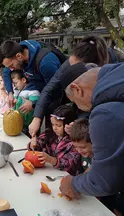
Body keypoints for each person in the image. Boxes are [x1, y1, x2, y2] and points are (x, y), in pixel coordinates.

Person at [60, 65, 124, 214]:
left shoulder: (105, 112)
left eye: (76, 103)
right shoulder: (117, 72)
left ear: (77, 89)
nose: (82, 109)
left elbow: (104, 181)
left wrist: (73, 183)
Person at [29, 36, 109, 137]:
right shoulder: (71, 62)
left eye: (74, 69)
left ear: (90, 68)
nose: (70, 71)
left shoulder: (107, 85)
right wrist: (37, 117)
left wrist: (83, 123)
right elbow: (49, 89)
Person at [0, 40, 62, 110]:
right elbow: (6, 73)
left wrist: (34, 104)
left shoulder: (46, 64)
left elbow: (54, 92)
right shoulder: (17, 52)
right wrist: (10, 93)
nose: (11, 69)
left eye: (11, 66)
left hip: (53, 101)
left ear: (19, 56)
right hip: (38, 94)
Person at [28, 105, 81, 176]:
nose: (55, 128)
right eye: (53, 124)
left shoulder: (75, 143)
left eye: (58, 125)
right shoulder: (49, 133)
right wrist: (34, 143)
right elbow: (40, 143)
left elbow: (69, 164)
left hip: (64, 177)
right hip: (48, 172)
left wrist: (51, 160)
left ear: (68, 125)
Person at [11, 70, 40, 136]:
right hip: (21, 124)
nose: (15, 86)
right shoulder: (20, 91)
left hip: (29, 125)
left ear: (23, 80)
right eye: (13, 84)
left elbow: (35, 106)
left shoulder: (33, 91)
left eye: (16, 83)